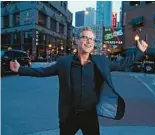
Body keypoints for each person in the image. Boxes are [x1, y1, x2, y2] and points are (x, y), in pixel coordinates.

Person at [10, 27, 148, 135]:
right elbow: (43, 72)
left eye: (92, 39)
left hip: (90, 115)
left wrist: (139, 51)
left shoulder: (100, 62)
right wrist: (20, 69)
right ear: (76, 40)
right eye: (85, 37)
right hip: (69, 115)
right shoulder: (64, 62)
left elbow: (122, 63)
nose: (88, 41)